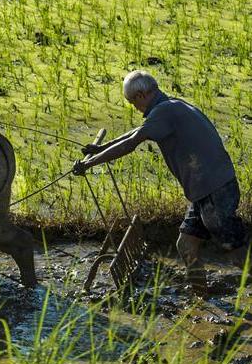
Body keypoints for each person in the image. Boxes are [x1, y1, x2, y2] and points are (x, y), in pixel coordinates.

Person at [72, 69, 247, 291]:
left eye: (132, 102)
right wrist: (101, 148)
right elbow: (137, 132)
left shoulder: (165, 111)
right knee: (185, 245)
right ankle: (200, 297)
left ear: (141, 95)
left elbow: (132, 142)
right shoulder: (171, 106)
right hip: (204, 189)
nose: (135, 108)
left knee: (234, 250)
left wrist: (89, 163)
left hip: (214, 189)